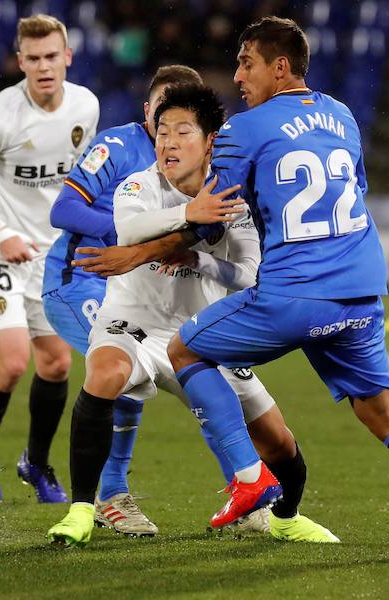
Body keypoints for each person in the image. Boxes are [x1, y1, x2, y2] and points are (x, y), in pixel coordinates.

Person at [79, 16, 389, 554]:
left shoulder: (243, 129)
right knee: (385, 414)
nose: (237, 76)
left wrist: (137, 251)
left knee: (184, 347)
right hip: (360, 294)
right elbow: (354, 191)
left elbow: (209, 220)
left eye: (246, 63)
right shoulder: (343, 116)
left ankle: (249, 477)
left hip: (293, 294)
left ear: (280, 67)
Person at [43, 68, 331, 542]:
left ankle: (284, 517)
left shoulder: (233, 198)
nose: (168, 142)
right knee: (104, 375)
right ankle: (81, 509)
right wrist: (188, 215)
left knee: (276, 438)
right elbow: (131, 232)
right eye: (162, 131)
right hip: (129, 323)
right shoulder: (138, 185)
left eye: (182, 132)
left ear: (209, 141)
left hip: (198, 337)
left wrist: (198, 256)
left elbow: (247, 274)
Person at [0, 15, 99, 505]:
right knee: (12, 363)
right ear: (20, 62)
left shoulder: (85, 106)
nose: (44, 66)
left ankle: (36, 462)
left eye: (52, 56)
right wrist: (2, 232)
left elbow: (80, 180)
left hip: (49, 252)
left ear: (67, 57)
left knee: (55, 365)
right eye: (33, 59)